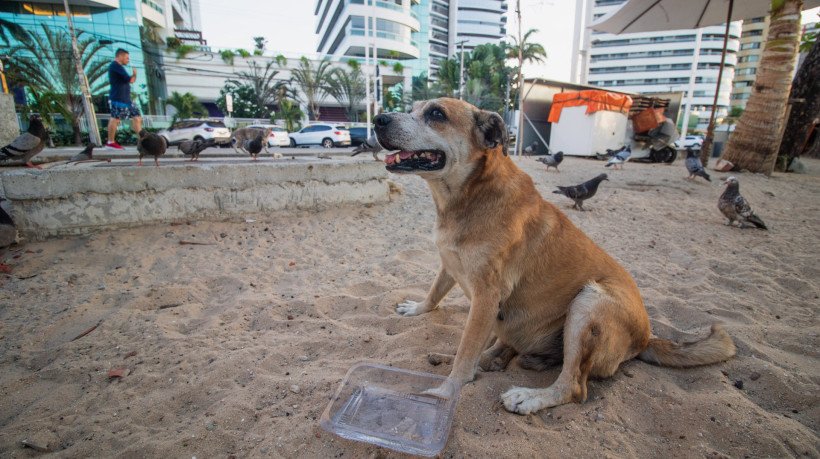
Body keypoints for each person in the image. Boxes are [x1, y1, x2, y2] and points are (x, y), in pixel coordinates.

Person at [106, 48, 142, 150]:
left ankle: (141, 141)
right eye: (126, 58)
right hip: (118, 97)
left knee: (137, 117)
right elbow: (129, 79)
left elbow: (131, 81)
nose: (128, 60)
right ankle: (110, 142)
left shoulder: (119, 67)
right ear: (120, 56)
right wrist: (134, 74)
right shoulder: (115, 66)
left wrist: (134, 74)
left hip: (127, 99)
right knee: (115, 118)